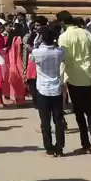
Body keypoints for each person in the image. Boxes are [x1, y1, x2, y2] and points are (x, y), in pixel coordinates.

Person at [57, 10, 91, 155]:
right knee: (90, 110)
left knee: (79, 112)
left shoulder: (63, 37)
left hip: (73, 77)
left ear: (63, 23)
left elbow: (63, 59)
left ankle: (86, 144)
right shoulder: (86, 34)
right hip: (87, 75)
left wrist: (61, 78)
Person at [30, 25, 66, 156]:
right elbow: (63, 57)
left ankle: (49, 147)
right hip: (56, 88)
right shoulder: (60, 52)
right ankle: (60, 146)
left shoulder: (37, 52)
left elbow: (32, 58)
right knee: (58, 119)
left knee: (45, 121)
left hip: (43, 89)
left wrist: (36, 42)